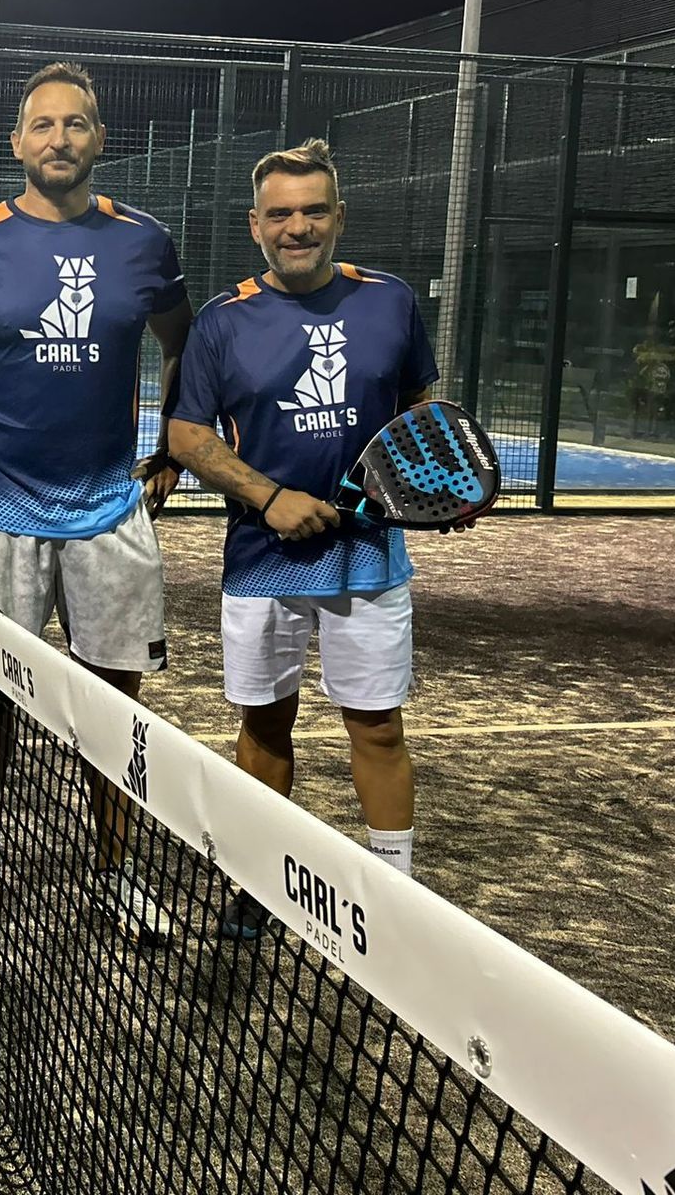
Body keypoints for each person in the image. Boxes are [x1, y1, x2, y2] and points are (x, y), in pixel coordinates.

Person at [0, 61, 192, 941]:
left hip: (110, 513)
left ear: (100, 139)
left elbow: (187, 347)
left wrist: (171, 447)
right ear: (18, 142)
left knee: (117, 711)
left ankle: (116, 871)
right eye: (42, 125)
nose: (58, 138)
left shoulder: (146, 242)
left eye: (76, 124)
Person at [167, 138, 452, 940]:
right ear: (255, 225)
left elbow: (421, 409)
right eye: (282, 214)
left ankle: (394, 894)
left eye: (314, 210)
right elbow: (187, 435)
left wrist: (431, 486)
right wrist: (268, 496)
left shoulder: (390, 300)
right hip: (264, 560)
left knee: (378, 724)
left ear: (338, 217)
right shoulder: (222, 323)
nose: (300, 227)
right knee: (264, 725)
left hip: (371, 554)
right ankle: (257, 882)